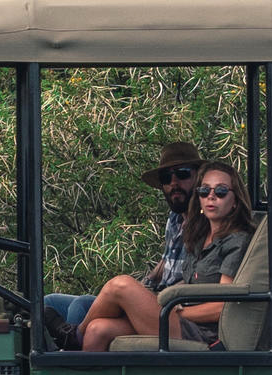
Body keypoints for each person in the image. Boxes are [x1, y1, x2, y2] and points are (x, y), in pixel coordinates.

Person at [80, 160, 252, 351]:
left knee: (120, 285)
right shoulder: (199, 238)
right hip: (179, 316)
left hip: (203, 333)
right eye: (204, 191)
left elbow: (222, 308)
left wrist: (176, 312)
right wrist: (153, 299)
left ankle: (72, 336)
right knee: (97, 330)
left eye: (220, 191)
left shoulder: (236, 241)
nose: (211, 196)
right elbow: (189, 283)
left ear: (235, 200)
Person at [43, 141, 205, 338]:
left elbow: (197, 279)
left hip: (170, 305)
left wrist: (147, 296)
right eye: (166, 178)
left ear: (198, 177)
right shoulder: (175, 218)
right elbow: (166, 262)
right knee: (48, 302)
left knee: (82, 304)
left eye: (182, 174)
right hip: (155, 297)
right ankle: (58, 351)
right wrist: (144, 284)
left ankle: (72, 351)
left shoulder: (207, 223)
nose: (174, 183)